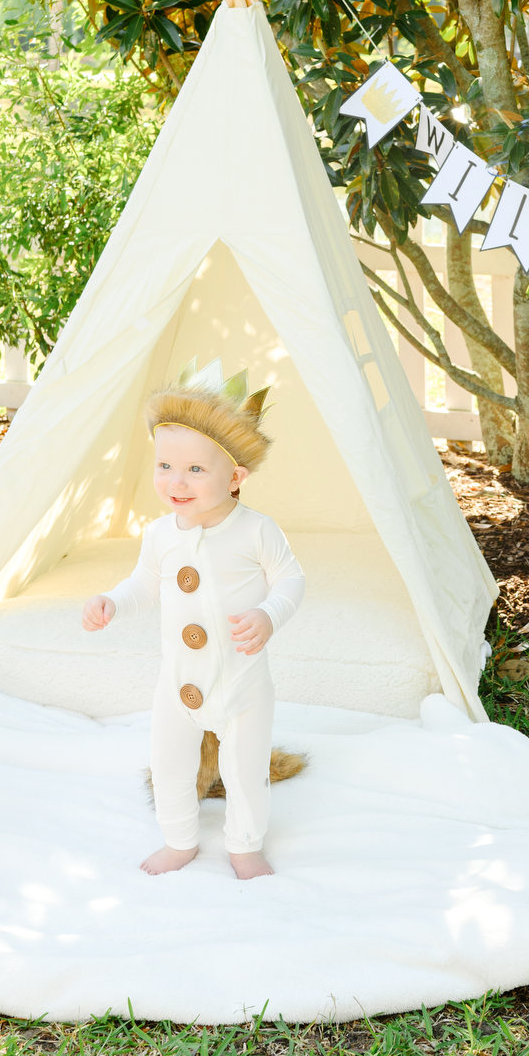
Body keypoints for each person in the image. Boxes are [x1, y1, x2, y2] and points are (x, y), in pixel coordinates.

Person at [81, 371, 304, 879]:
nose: (175, 482)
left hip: (242, 684)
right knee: (170, 765)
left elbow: (292, 580)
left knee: (245, 770)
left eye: (195, 469)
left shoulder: (255, 530)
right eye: (164, 466)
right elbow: (143, 583)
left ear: (235, 477)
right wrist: (112, 602)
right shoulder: (159, 534)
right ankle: (179, 840)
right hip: (177, 684)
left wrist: (269, 615)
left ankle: (244, 846)